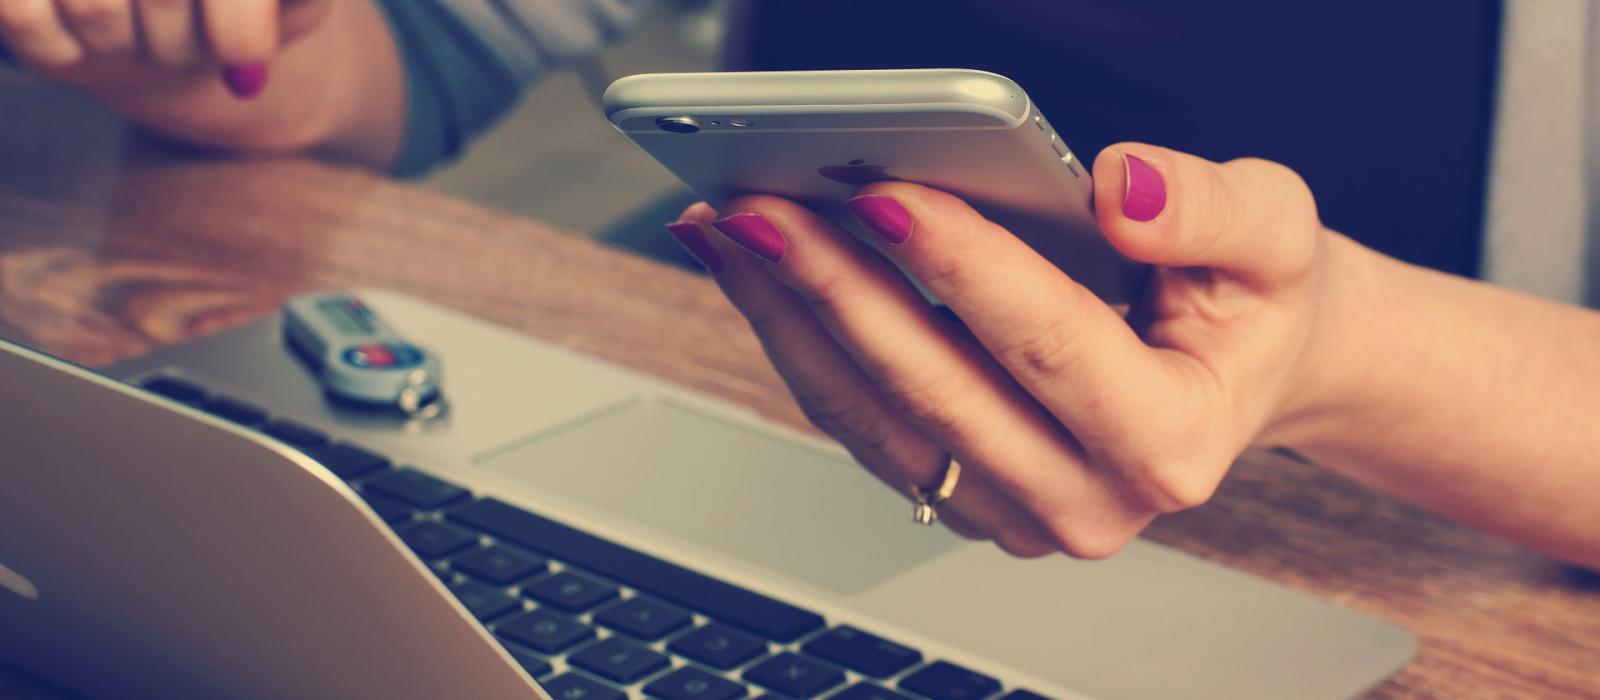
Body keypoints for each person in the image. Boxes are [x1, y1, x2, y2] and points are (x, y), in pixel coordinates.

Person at [2, 1, 1596, 569]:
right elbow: (401, 50)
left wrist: (1341, 353)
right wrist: (216, 33)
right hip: (758, 444)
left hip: (1439, 584)